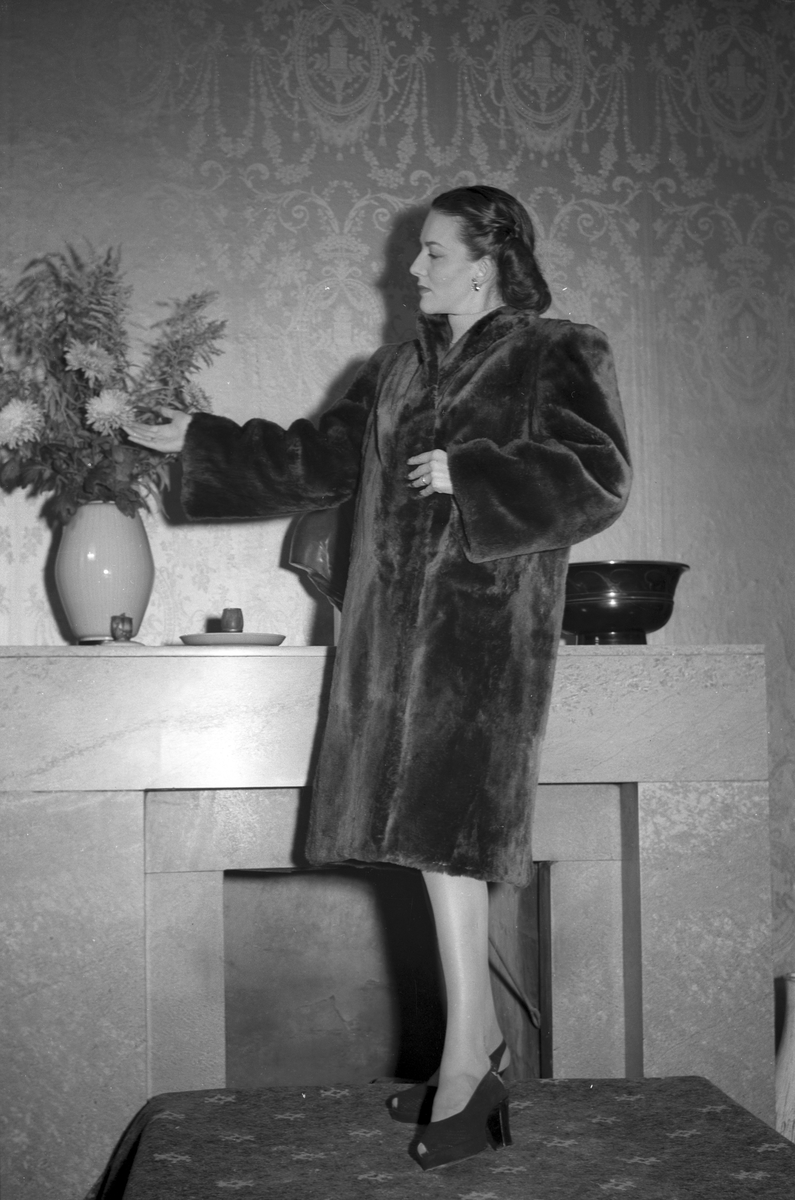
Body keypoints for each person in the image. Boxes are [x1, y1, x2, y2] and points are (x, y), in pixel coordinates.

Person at [124, 185, 631, 1170]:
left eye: (433, 252)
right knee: (431, 847)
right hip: (391, 646)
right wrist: (195, 439)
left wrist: (472, 473)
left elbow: (599, 475)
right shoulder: (395, 369)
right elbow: (317, 459)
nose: (412, 268)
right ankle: (474, 1051)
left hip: (482, 642)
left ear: (487, 260)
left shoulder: (557, 350)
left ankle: (470, 1064)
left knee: (450, 842)